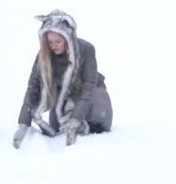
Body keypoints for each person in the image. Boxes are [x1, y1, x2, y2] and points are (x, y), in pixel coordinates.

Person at [12, 9, 113, 148]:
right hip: (63, 99)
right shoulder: (44, 55)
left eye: (58, 41)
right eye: (50, 42)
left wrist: (76, 119)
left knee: (98, 112)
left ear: (68, 38)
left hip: (90, 95)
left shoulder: (86, 49)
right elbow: (33, 86)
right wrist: (23, 123)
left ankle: (91, 134)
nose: (54, 46)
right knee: (57, 126)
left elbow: (89, 85)